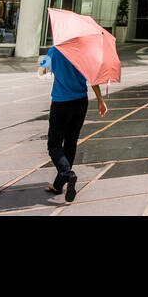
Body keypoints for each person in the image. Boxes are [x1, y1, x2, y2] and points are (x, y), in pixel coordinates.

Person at [40, 46, 107, 202]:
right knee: (71, 142)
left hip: (61, 102)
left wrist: (49, 64)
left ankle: (67, 173)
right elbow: (92, 78)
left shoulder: (54, 51)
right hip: (80, 102)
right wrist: (100, 100)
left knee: (54, 145)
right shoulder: (83, 51)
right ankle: (58, 185)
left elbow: (42, 72)